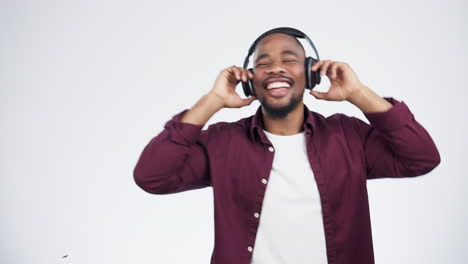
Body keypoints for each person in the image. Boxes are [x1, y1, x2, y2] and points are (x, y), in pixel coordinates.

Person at [133, 28, 440, 264]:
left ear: (310, 74)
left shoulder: (349, 137)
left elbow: (421, 157)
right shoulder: (222, 141)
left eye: (290, 61)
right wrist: (211, 101)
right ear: (249, 81)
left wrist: (357, 92)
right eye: (263, 64)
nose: (276, 68)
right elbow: (152, 177)